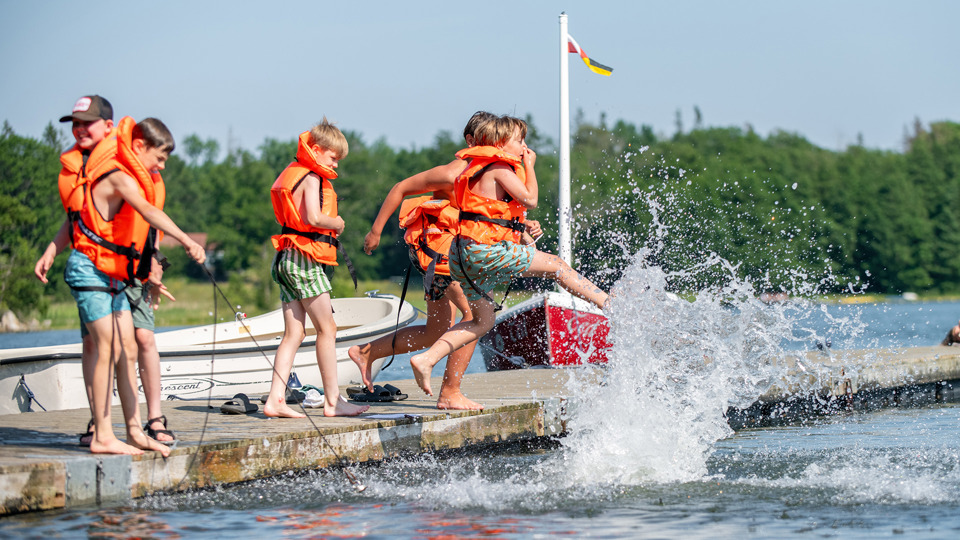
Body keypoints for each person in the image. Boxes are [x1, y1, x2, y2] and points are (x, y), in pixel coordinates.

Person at [351, 111, 541, 410]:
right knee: (475, 317)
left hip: (454, 255)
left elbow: (489, 220)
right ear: (472, 141)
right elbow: (401, 188)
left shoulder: (493, 174)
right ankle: (450, 392)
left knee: (436, 331)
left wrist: (524, 227)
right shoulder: (452, 173)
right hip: (440, 254)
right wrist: (375, 231)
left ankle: (366, 352)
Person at [409, 115, 609, 395]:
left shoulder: (476, 169)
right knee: (556, 265)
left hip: (463, 255)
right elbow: (531, 199)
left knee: (482, 321)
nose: (525, 147)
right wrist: (529, 166)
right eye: (520, 141)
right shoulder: (501, 167)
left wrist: (522, 228)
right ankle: (609, 305)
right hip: (483, 252)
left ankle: (426, 359)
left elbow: (492, 217)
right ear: (500, 144)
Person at [34, 96, 177, 447]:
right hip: (93, 267)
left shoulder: (126, 165)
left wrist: (155, 266)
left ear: (109, 127)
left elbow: (147, 220)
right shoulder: (81, 168)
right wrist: (52, 249)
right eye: (75, 123)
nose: (80, 128)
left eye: (88, 122)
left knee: (136, 341)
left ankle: (147, 421)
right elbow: (79, 221)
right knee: (96, 346)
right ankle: (101, 425)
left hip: (129, 270)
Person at [60, 113, 205, 456]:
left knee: (128, 349)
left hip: (114, 275)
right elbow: (147, 211)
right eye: (159, 158)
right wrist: (186, 240)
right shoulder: (119, 177)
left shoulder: (131, 174)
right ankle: (102, 436)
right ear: (139, 146)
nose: (162, 166)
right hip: (88, 270)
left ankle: (136, 431)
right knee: (106, 348)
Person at [263, 119, 369, 419]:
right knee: (328, 328)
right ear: (318, 150)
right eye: (333, 157)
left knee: (293, 333)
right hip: (304, 259)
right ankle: (334, 402)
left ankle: (275, 400)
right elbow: (313, 217)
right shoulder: (310, 176)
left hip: (285, 257)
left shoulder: (295, 172)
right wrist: (337, 223)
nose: (336, 164)